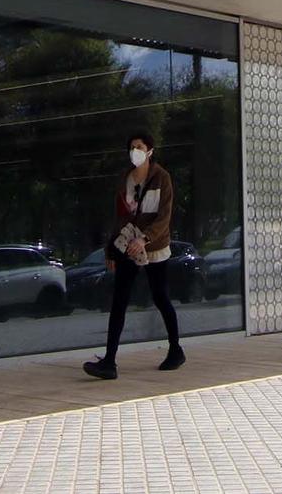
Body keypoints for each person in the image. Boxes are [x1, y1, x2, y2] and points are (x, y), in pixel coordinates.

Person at [84, 130, 184, 380]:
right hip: (128, 246)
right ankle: (109, 361)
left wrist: (145, 238)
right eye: (131, 147)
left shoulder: (162, 178)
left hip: (153, 247)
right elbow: (119, 217)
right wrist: (111, 249)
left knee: (160, 297)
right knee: (119, 301)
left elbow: (164, 217)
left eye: (139, 146)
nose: (134, 151)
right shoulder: (125, 180)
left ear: (149, 151)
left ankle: (175, 349)